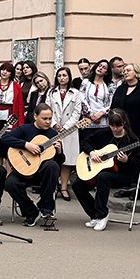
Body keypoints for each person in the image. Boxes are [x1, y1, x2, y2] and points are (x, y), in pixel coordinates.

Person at [72, 109, 140, 231]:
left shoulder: (132, 139)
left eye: (119, 126)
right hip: (100, 171)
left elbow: (139, 162)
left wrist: (127, 161)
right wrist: (91, 152)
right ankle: (95, 214)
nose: (116, 129)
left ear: (124, 123)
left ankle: (102, 214)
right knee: (77, 185)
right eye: (113, 126)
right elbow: (85, 141)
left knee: (104, 177)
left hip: (123, 175)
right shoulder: (104, 133)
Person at [0, 103, 61, 226]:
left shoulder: (53, 134)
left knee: (53, 166)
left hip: (42, 173)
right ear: (35, 117)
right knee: (10, 184)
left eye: (50, 118)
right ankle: (32, 212)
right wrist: (26, 144)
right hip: (24, 170)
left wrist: (59, 151)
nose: (48, 122)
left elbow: (59, 161)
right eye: (44, 118)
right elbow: (4, 138)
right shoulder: (24, 129)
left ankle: (46, 208)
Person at [49, 66, 85, 201]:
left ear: (69, 77)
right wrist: (53, 124)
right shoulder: (51, 92)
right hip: (54, 129)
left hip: (69, 130)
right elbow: (48, 109)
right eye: (59, 76)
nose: (62, 78)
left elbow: (77, 112)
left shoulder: (76, 93)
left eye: (64, 75)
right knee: (53, 159)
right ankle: (52, 187)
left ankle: (64, 187)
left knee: (67, 160)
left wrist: (66, 126)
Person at [0, 61, 24, 132]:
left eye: (8, 71)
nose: (4, 72)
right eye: (3, 69)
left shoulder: (16, 86)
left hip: (10, 116)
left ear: (11, 73)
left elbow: (20, 106)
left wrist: (20, 123)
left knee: (7, 136)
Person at [81, 59, 112, 130]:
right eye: (99, 66)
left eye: (104, 67)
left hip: (103, 122)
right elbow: (82, 99)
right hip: (87, 122)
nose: (100, 68)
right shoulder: (85, 82)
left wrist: (101, 113)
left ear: (106, 72)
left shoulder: (110, 86)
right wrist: (91, 114)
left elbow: (112, 102)